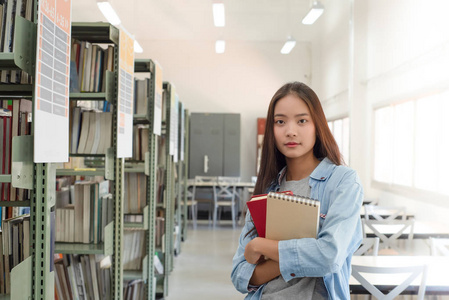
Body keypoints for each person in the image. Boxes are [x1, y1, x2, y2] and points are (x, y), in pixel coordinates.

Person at [231, 82, 363, 299]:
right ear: (272, 130)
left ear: (317, 125)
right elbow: (240, 276)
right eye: (280, 122)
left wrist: (262, 246)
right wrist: (305, 250)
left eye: (302, 121)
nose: (290, 131)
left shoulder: (343, 182)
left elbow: (329, 257)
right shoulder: (268, 187)